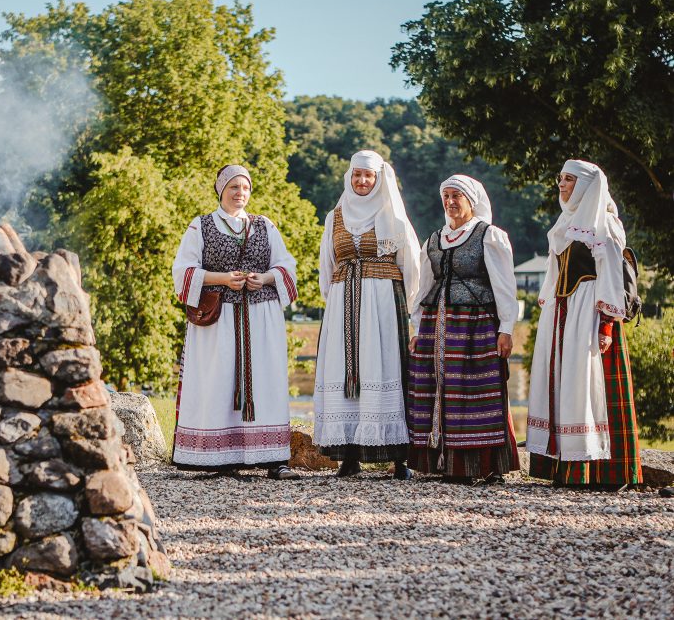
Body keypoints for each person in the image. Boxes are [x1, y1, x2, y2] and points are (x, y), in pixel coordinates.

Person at [171, 164, 300, 479]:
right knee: (219, 380)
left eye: (245, 188)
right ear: (220, 189)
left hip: (261, 316)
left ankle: (273, 459)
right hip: (219, 319)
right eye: (233, 187)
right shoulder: (200, 226)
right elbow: (183, 271)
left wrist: (264, 278)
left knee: (265, 381)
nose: (240, 193)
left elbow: (287, 267)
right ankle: (220, 457)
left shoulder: (264, 225)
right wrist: (222, 279)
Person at [526, 160, 642, 489]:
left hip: (589, 312)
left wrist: (606, 323)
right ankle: (564, 469)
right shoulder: (565, 221)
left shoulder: (604, 224)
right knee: (565, 386)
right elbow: (552, 274)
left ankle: (604, 472)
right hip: (563, 313)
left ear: (587, 186)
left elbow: (610, 276)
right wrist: (549, 306)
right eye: (560, 178)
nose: (561, 185)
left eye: (569, 180)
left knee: (590, 386)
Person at [313, 150, 420, 478]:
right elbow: (326, 264)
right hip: (344, 304)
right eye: (357, 174)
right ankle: (349, 455)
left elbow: (411, 265)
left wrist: (409, 309)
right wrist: (334, 307)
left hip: (383, 302)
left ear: (379, 178)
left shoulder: (393, 215)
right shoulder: (336, 215)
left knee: (386, 366)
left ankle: (399, 458)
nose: (361, 181)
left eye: (368, 175)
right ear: (349, 176)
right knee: (346, 372)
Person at [407, 175, 521, 483]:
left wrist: (507, 327)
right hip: (436, 326)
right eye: (446, 196)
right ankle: (446, 463)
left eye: (457, 195)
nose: (450, 201)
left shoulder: (489, 235)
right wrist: (416, 327)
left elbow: (504, 286)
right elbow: (424, 288)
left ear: (472, 200)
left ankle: (486, 466)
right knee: (439, 391)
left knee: (477, 392)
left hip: (476, 325)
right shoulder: (433, 239)